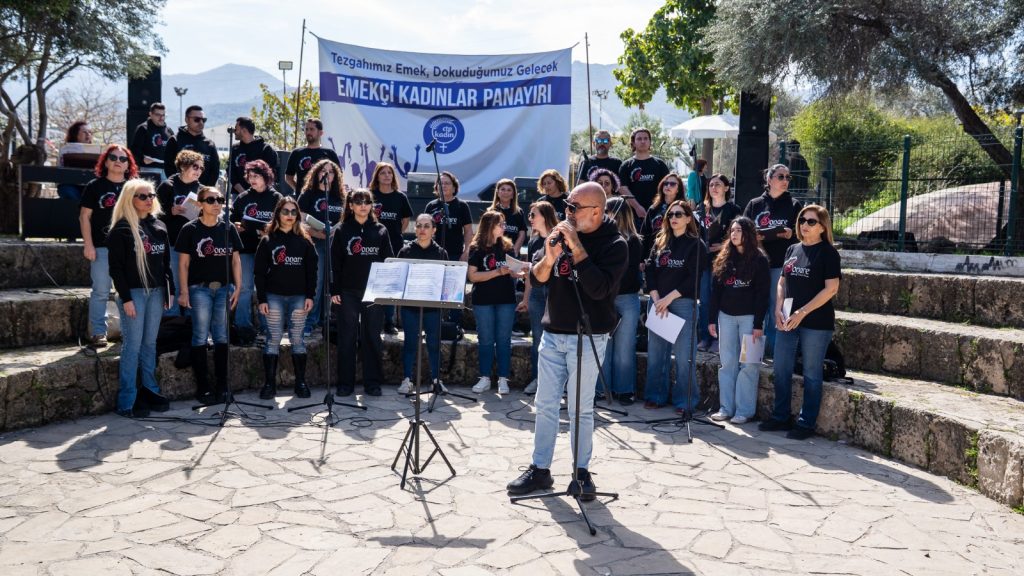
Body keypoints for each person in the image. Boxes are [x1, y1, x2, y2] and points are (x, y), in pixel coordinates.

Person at [506, 182, 628, 500]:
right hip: (553, 334)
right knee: (545, 405)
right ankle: (540, 469)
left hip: (588, 336)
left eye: (574, 208)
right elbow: (537, 278)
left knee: (580, 409)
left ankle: (581, 473)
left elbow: (599, 289)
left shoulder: (615, 244)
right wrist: (549, 258)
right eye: (567, 207)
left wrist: (576, 247)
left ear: (596, 211)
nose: (568, 213)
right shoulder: (559, 235)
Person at [759, 205, 841, 440]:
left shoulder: (828, 253)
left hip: (816, 323)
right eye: (802, 220)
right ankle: (780, 416)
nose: (805, 224)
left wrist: (802, 313)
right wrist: (777, 309)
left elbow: (831, 289)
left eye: (811, 221)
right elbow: (782, 282)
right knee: (781, 368)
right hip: (787, 319)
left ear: (823, 227)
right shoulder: (792, 249)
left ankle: (806, 423)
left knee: (812, 373)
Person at [107, 179, 174, 417]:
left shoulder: (160, 226)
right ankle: (127, 400)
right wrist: (126, 299)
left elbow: (166, 263)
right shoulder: (122, 229)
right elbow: (116, 269)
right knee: (132, 346)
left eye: (151, 195)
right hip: (133, 293)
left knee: (149, 344)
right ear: (130, 199)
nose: (149, 200)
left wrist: (170, 291)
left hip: (157, 292)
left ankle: (150, 390)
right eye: (142, 196)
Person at [175, 186, 243, 405]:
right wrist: (184, 291)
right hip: (199, 289)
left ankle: (223, 386)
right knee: (200, 336)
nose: (216, 204)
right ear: (200, 204)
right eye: (211, 200)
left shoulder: (228, 228)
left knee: (222, 336)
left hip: (224, 289)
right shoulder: (189, 229)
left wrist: (238, 287)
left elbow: (236, 260)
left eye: (220, 199)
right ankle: (203, 387)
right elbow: (183, 264)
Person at [644, 200, 707, 412]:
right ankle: (655, 396)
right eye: (670, 215)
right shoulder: (660, 242)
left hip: (682, 304)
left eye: (679, 214)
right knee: (656, 355)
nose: (673, 218)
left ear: (689, 218)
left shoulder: (696, 244)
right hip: (658, 303)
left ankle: (685, 401)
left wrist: (668, 299)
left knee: (684, 357)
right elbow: (650, 270)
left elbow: (693, 279)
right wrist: (657, 299)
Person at [331, 188, 393, 397]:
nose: (363, 205)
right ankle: (345, 384)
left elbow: (388, 261)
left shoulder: (381, 230)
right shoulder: (341, 230)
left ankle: (372, 383)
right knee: (347, 337)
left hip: (373, 292)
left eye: (367, 201)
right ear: (350, 206)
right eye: (358, 202)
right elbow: (335, 263)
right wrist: (335, 290)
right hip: (347, 292)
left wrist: (386, 289)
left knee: (372, 337)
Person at [708, 217, 770, 424]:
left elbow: (763, 295)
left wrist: (758, 324)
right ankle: (726, 408)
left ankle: (744, 411)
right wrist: (711, 319)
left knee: (749, 365)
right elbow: (715, 292)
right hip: (725, 317)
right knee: (727, 363)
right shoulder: (724, 257)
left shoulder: (760, 259)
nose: (734, 234)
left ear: (748, 233)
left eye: (739, 230)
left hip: (750, 319)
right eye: (732, 230)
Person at [255, 197, 317, 400]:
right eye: (285, 211)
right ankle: (269, 384)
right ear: (278, 214)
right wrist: (262, 299)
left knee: (297, 339)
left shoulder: (305, 241)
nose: (289, 215)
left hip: (299, 297)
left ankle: (300, 383)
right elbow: (259, 273)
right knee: (273, 339)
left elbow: (312, 272)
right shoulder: (267, 240)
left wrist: (310, 295)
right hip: (273, 297)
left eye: (293, 212)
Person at [79, 144, 139, 348]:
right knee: (101, 291)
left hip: (129, 249)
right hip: (102, 247)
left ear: (128, 164)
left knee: (128, 291)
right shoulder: (94, 186)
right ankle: (98, 332)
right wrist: (88, 245)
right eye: (113, 157)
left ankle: (128, 331)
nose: (118, 161)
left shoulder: (134, 187)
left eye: (123, 159)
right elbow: (84, 217)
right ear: (105, 162)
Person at [742, 164, 803, 358]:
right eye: (780, 176)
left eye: (788, 177)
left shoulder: (795, 205)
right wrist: (753, 237)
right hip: (755, 265)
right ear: (769, 179)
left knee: (778, 308)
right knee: (753, 307)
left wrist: (792, 234)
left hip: (782, 265)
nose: (785, 180)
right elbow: (741, 230)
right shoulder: (755, 204)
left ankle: (774, 354)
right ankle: (752, 357)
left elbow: (804, 234)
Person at [468, 210, 524, 395]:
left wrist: (521, 271)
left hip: (505, 300)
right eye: (501, 224)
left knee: (503, 340)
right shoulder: (476, 248)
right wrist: (497, 272)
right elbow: (473, 276)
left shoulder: (507, 246)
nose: (504, 227)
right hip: (483, 300)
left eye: (504, 223)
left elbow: (514, 272)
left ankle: (503, 379)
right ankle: (484, 377)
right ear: (490, 226)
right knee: (485, 339)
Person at [230, 159, 283, 343]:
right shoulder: (243, 197)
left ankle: (267, 326)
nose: (252, 179)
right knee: (244, 287)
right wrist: (237, 226)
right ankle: (243, 326)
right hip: (245, 249)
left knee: (267, 288)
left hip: (268, 251)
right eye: (250, 176)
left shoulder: (276, 198)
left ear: (266, 177)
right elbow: (232, 220)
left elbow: (285, 223)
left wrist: (268, 230)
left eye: (256, 176)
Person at [396, 214, 449, 394]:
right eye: (419, 225)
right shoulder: (405, 251)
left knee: (434, 343)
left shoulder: (441, 253)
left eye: (426, 226)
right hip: (410, 306)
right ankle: (407, 379)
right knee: (410, 342)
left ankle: (436, 380)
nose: (422, 229)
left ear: (434, 230)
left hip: (433, 307)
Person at [600, 197, 643, 405]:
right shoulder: (601, 238)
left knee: (624, 348)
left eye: (606, 210)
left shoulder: (633, 241)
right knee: (603, 347)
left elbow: (627, 273)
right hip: (603, 298)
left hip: (626, 298)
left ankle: (624, 390)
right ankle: (602, 389)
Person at [297, 159, 346, 337]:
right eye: (323, 171)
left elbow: (345, 219)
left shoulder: (340, 197)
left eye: (331, 172)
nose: (327, 174)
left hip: (335, 244)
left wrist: (335, 230)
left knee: (331, 282)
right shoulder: (308, 194)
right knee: (316, 283)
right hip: (315, 243)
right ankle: (309, 321)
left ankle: (326, 320)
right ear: (317, 173)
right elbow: (300, 221)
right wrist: (317, 233)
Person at [695, 173, 742, 351]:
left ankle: (719, 339)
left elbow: (740, 234)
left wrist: (723, 246)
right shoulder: (701, 209)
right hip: (704, 261)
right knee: (705, 300)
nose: (714, 188)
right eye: (711, 185)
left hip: (725, 261)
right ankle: (705, 337)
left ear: (726, 188)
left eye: (718, 184)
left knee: (720, 299)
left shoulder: (734, 209)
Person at [156, 150, 204, 317]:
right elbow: (153, 215)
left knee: (193, 283)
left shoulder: (201, 189)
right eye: (195, 167)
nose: (199, 171)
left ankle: (190, 320)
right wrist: (171, 211)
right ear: (183, 166)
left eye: (201, 168)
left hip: (195, 245)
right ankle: (172, 321)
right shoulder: (167, 186)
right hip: (173, 242)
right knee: (175, 282)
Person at [517, 200, 558, 395]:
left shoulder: (558, 238)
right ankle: (538, 380)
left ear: (545, 216)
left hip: (555, 294)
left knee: (557, 341)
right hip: (536, 294)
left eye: (534, 215)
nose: (530, 218)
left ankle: (557, 384)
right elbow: (531, 276)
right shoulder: (533, 241)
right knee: (537, 340)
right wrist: (526, 299)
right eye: (529, 215)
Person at [424, 171, 473, 327]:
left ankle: (455, 325)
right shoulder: (431, 206)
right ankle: (433, 324)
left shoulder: (462, 206)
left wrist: (466, 251)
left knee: (455, 291)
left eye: (447, 183)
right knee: (433, 290)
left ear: (454, 187)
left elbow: (468, 231)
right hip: (434, 254)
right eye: (440, 183)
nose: (443, 186)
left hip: (455, 255)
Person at [369, 161, 413, 335]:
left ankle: (389, 321)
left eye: (389, 173)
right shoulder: (370, 196)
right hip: (371, 246)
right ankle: (372, 320)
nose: (387, 176)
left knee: (390, 285)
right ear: (377, 176)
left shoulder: (400, 197)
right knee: (372, 283)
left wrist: (395, 234)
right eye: (383, 173)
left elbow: (405, 220)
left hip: (394, 246)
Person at [618, 127, 669, 219]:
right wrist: (637, 207)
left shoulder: (660, 164)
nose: (643, 141)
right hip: (633, 214)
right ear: (633, 143)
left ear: (650, 142)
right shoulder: (626, 166)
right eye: (639, 139)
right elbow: (622, 189)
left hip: (657, 212)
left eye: (646, 138)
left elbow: (668, 187)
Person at [163, 105, 220, 186]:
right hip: (179, 189)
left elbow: (215, 171)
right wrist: (178, 186)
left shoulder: (210, 144)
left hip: (203, 191)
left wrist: (205, 189)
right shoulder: (175, 140)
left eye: (203, 120)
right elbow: (168, 167)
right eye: (197, 119)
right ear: (187, 120)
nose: (201, 123)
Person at [286, 118, 340, 194]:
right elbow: (288, 177)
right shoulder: (296, 153)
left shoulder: (330, 153)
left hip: (324, 199)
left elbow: (338, 177)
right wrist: (299, 191)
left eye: (312, 129)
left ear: (321, 133)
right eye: (306, 129)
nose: (308, 132)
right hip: (303, 200)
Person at [229, 116, 279, 197]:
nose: (234, 131)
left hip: (261, 195)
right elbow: (231, 173)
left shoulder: (266, 149)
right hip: (238, 194)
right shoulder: (235, 148)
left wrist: (256, 193)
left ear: (244, 131)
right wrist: (244, 194)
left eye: (236, 129)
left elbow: (271, 174)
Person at [639, 173, 683, 260]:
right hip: (654, 254)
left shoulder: (683, 209)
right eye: (665, 183)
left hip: (677, 256)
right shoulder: (653, 209)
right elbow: (644, 234)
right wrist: (642, 258)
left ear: (678, 189)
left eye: (672, 184)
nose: (668, 186)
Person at [129, 102, 173, 173]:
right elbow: (134, 149)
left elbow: (174, 149)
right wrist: (143, 159)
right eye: (158, 115)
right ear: (150, 114)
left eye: (163, 115)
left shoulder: (169, 130)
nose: (161, 118)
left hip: (167, 170)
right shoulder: (143, 128)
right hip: (149, 169)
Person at [489, 178, 527, 255]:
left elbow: (522, 233)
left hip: (512, 253)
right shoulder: (491, 212)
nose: (505, 192)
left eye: (509, 190)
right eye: (503, 189)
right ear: (497, 193)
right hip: (494, 253)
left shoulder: (518, 212)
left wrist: (514, 251)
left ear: (513, 195)